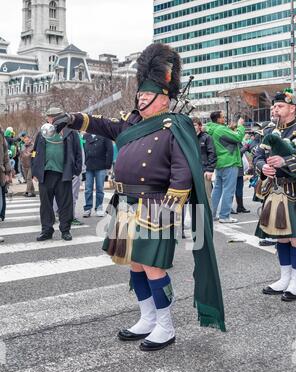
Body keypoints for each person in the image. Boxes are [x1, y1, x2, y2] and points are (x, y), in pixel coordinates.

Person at [53, 43, 225, 351]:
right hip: (126, 203)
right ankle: (147, 318)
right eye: (140, 94)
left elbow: (183, 169)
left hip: (156, 206)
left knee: (152, 266)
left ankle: (166, 325)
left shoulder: (176, 126)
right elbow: (105, 125)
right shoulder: (132, 123)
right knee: (134, 264)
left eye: (148, 95)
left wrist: (171, 209)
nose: (141, 98)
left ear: (165, 99)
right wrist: (74, 118)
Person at [254, 88, 296, 301]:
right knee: (280, 236)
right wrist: (263, 167)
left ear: (292, 108)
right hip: (275, 190)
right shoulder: (269, 130)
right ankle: (284, 278)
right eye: (274, 106)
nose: (275, 109)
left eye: (280, 106)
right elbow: (257, 155)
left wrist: (285, 162)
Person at [32, 107, 82, 242]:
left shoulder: (70, 132)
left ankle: (65, 230)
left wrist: (76, 170)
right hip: (45, 174)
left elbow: (78, 152)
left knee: (65, 204)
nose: (49, 119)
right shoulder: (42, 132)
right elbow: (34, 152)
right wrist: (35, 171)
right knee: (46, 205)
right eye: (49, 117)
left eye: (52, 117)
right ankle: (46, 230)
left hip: (63, 174)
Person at [206, 111, 245, 223]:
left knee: (217, 189)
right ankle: (224, 216)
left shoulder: (212, 128)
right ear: (218, 119)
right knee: (229, 189)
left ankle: (212, 214)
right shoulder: (220, 129)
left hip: (220, 162)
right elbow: (238, 138)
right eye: (223, 117)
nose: (225, 118)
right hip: (229, 161)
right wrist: (241, 126)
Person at [82, 132, 113, 218]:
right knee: (88, 189)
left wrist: (108, 165)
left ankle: (99, 208)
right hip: (88, 166)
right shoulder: (85, 136)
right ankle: (87, 209)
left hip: (101, 166)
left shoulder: (105, 135)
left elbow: (110, 150)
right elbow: (83, 150)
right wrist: (82, 165)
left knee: (100, 189)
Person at [192, 117, 216, 206]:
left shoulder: (206, 138)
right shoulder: (189, 138)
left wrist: (210, 170)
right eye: (191, 125)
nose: (193, 127)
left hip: (204, 171)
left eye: (194, 125)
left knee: (206, 197)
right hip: (192, 172)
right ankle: (197, 219)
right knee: (194, 198)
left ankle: (208, 219)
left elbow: (212, 154)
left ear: (200, 126)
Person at [0, 125, 12, 242]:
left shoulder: (1, 135)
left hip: (0, 173)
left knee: (0, 203)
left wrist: (8, 172)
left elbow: (5, 156)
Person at [20, 132, 36, 197]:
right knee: (27, 179)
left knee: (29, 178)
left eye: (27, 140)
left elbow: (35, 155)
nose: (26, 141)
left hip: (31, 165)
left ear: (30, 140)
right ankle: (32, 192)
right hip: (24, 165)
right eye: (25, 140)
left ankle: (28, 191)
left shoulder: (33, 146)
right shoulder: (23, 146)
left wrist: (31, 154)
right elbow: (21, 154)